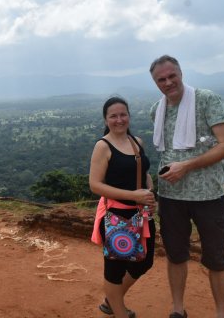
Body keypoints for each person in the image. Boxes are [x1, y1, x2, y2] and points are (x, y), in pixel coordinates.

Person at [149, 55, 224, 318]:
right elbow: (164, 153)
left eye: (171, 76)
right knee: (175, 255)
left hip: (208, 195)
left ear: (181, 73)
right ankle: (178, 309)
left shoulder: (207, 99)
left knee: (216, 257)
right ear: (156, 83)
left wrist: (185, 166)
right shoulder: (157, 109)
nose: (168, 82)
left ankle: (220, 313)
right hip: (171, 196)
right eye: (161, 79)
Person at [89, 96, 157, 318]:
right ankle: (118, 311)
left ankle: (112, 299)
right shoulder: (103, 146)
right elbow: (95, 185)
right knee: (115, 270)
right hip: (116, 214)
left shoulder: (136, 141)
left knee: (143, 262)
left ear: (129, 115)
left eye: (123, 114)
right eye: (113, 116)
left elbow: (143, 172)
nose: (119, 120)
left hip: (141, 213)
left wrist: (150, 193)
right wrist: (133, 195)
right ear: (106, 119)